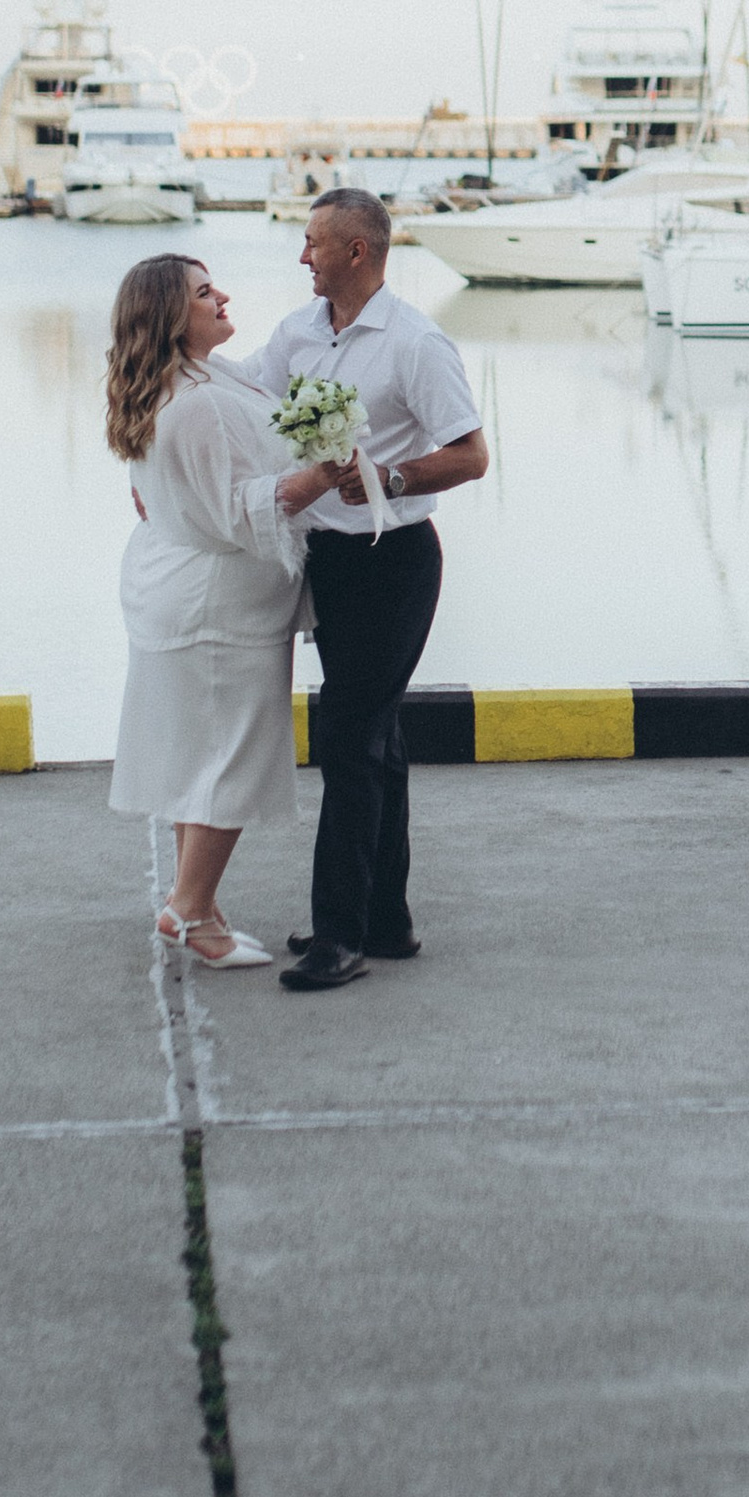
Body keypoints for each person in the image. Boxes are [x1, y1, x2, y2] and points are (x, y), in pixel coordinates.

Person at [234, 189, 488, 992]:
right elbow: (244, 398)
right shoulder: (298, 332)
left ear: (356, 251)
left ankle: (339, 935)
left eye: (313, 242)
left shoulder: (416, 342)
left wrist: (393, 475)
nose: (301, 255)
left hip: (395, 559)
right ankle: (386, 918)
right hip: (328, 560)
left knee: (346, 734)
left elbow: (472, 454)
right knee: (377, 737)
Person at [104, 251, 358, 969]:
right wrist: (324, 473)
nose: (221, 297)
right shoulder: (202, 401)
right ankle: (189, 912)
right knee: (229, 758)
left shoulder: (190, 381)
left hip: (185, 590)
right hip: (218, 607)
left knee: (199, 754)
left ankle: (198, 902)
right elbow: (240, 507)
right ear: (169, 315)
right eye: (203, 292)